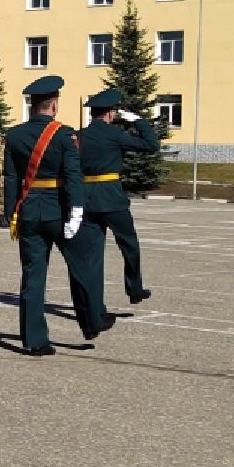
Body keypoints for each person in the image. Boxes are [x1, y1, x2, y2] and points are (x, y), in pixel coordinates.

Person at [1, 75, 93, 355]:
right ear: (53, 105)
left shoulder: (14, 135)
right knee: (82, 267)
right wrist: (77, 210)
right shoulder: (64, 134)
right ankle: (91, 321)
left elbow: (11, 178)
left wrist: (11, 213)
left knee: (33, 276)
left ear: (32, 106)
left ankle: (34, 340)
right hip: (59, 211)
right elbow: (73, 175)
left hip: (29, 210)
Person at [73, 87, 161, 324]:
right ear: (111, 113)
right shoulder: (115, 134)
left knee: (93, 258)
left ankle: (95, 308)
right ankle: (134, 288)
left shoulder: (79, 136)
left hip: (87, 200)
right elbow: (151, 145)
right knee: (129, 244)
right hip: (111, 198)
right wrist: (138, 121)